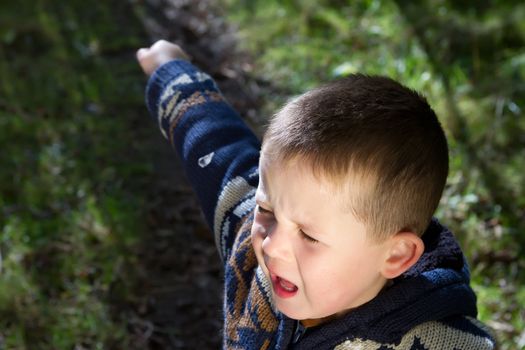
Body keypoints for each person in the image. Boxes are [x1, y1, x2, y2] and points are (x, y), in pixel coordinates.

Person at [136, 40, 496, 349]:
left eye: (308, 235)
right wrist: (170, 68)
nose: (271, 244)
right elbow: (217, 145)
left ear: (396, 255)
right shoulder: (252, 247)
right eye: (266, 209)